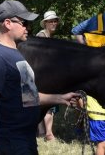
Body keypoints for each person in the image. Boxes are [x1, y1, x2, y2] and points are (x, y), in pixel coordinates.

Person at [0, 0, 79, 155]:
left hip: (26, 139)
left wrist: (60, 98)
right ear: (7, 23)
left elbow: (29, 96)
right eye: (24, 23)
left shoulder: (17, 54)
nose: (28, 28)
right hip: (9, 142)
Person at [36, 10, 61, 141]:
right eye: (50, 21)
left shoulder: (50, 37)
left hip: (48, 76)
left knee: (44, 104)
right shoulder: (41, 36)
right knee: (49, 103)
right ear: (45, 23)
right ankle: (49, 134)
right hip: (42, 77)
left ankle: (43, 133)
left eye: (55, 21)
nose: (53, 23)